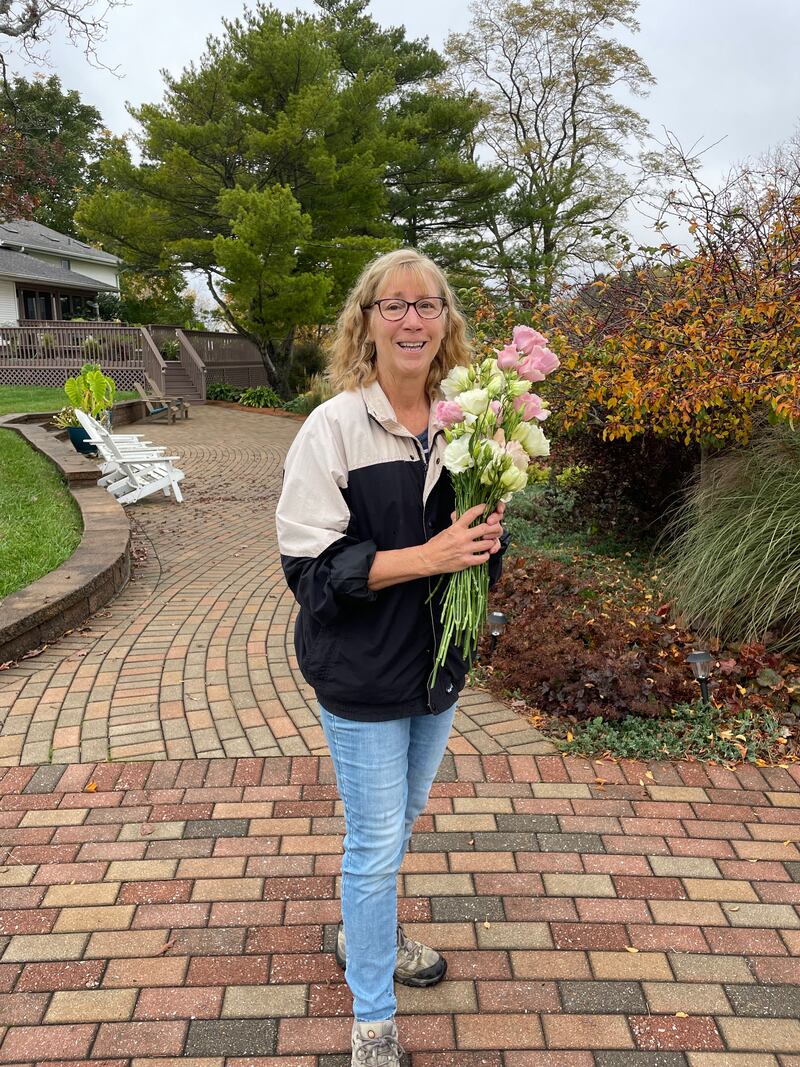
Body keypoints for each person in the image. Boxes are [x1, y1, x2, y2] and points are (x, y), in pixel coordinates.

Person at [275, 248, 509, 1066]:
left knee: (398, 827)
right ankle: (372, 1020)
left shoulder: (470, 423)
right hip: (362, 671)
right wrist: (430, 555)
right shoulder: (335, 427)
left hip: (436, 671)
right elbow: (310, 571)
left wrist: (484, 544)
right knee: (373, 845)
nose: (413, 319)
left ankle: (360, 928)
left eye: (429, 305)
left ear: (447, 322)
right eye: (394, 305)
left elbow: (476, 553)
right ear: (366, 322)